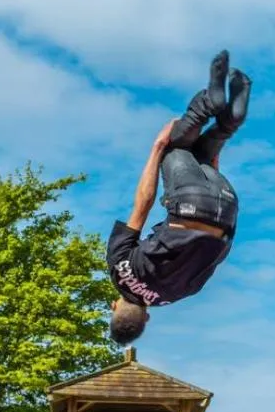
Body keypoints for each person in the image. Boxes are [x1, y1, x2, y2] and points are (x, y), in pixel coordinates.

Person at [106, 50, 252, 344]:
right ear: (113, 307)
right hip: (188, 205)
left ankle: (229, 122)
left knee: (199, 154)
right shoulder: (119, 270)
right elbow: (142, 205)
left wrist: (211, 174)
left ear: (147, 317)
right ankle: (209, 104)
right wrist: (157, 148)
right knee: (174, 148)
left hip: (225, 211)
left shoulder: (177, 294)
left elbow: (215, 252)